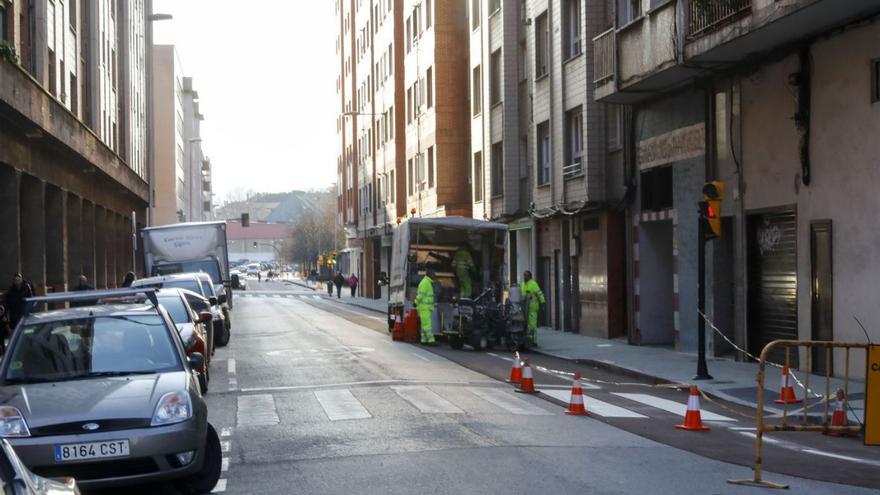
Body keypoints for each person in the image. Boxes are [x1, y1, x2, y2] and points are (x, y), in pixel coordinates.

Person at [520, 271, 545, 347]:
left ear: (530, 276)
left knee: (532, 325)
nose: (525, 277)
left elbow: (539, 293)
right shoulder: (522, 284)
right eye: (524, 275)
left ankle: (534, 341)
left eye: (526, 275)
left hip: (532, 308)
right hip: (524, 308)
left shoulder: (533, 284)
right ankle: (527, 339)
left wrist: (543, 302)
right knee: (524, 324)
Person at [414, 268, 437, 345]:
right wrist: (416, 301)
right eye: (433, 274)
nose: (435, 276)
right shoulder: (425, 283)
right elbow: (421, 295)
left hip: (424, 307)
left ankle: (424, 339)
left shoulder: (426, 282)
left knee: (424, 324)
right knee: (427, 325)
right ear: (430, 274)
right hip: (425, 308)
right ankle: (431, 340)